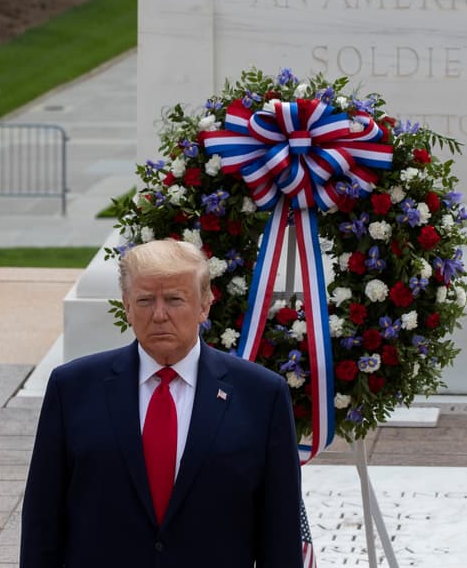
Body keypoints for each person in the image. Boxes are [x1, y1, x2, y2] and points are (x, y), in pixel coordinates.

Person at [20, 239, 302, 567]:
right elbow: (43, 519)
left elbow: (280, 532)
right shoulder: (72, 389)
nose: (158, 314)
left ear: (205, 305)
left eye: (174, 299)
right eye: (144, 300)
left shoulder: (262, 396)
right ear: (126, 305)